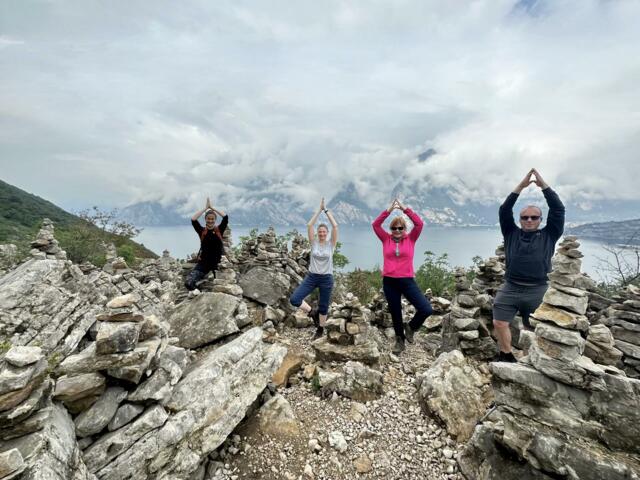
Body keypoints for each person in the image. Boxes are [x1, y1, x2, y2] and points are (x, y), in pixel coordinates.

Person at [493, 168, 565, 362]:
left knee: (533, 328)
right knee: (499, 322)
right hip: (511, 287)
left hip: (538, 289)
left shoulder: (549, 234)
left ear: (541, 220)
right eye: (525, 217)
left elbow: (558, 209)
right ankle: (506, 355)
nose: (529, 220)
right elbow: (504, 210)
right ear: (520, 220)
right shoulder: (511, 232)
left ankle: (532, 360)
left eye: (534, 217)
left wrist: (544, 187)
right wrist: (520, 187)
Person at [372, 198, 433, 354]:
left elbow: (419, 224)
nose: (397, 231)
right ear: (391, 229)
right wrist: (389, 211)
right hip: (389, 282)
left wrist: (405, 209)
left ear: (404, 228)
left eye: (400, 228)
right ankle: (400, 340)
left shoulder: (411, 239)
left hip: (407, 281)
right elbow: (375, 225)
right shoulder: (385, 239)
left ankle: (411, 327)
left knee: (426, 309)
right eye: (394, 228)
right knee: (395, 312)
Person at [290, 197, 338, 340]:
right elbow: (309, 225)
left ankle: (320, 329)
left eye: (324, 232)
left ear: (327, 233)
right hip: (312, 277)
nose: (322, 234)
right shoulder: (314, 243)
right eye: (320, 232)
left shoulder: (331, 244)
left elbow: (335, 226)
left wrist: (326, 211)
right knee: (295, 299)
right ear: (318, 233)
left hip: (326, 278)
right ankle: (312, 312)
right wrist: (319, 210)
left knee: (324, 307)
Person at [185, 197, 228, 291]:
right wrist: (205, 208)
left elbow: (225, 217)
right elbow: (193, 219)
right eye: (208, 219)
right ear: (205, 219)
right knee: (189, 282)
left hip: (218, 263)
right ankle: (198, 294)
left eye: (212, 219)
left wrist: (212, 208)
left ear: (215, 219)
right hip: (204, 263)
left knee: (222, 286)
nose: (210, 221)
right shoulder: (201, 231)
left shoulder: (219, 230)